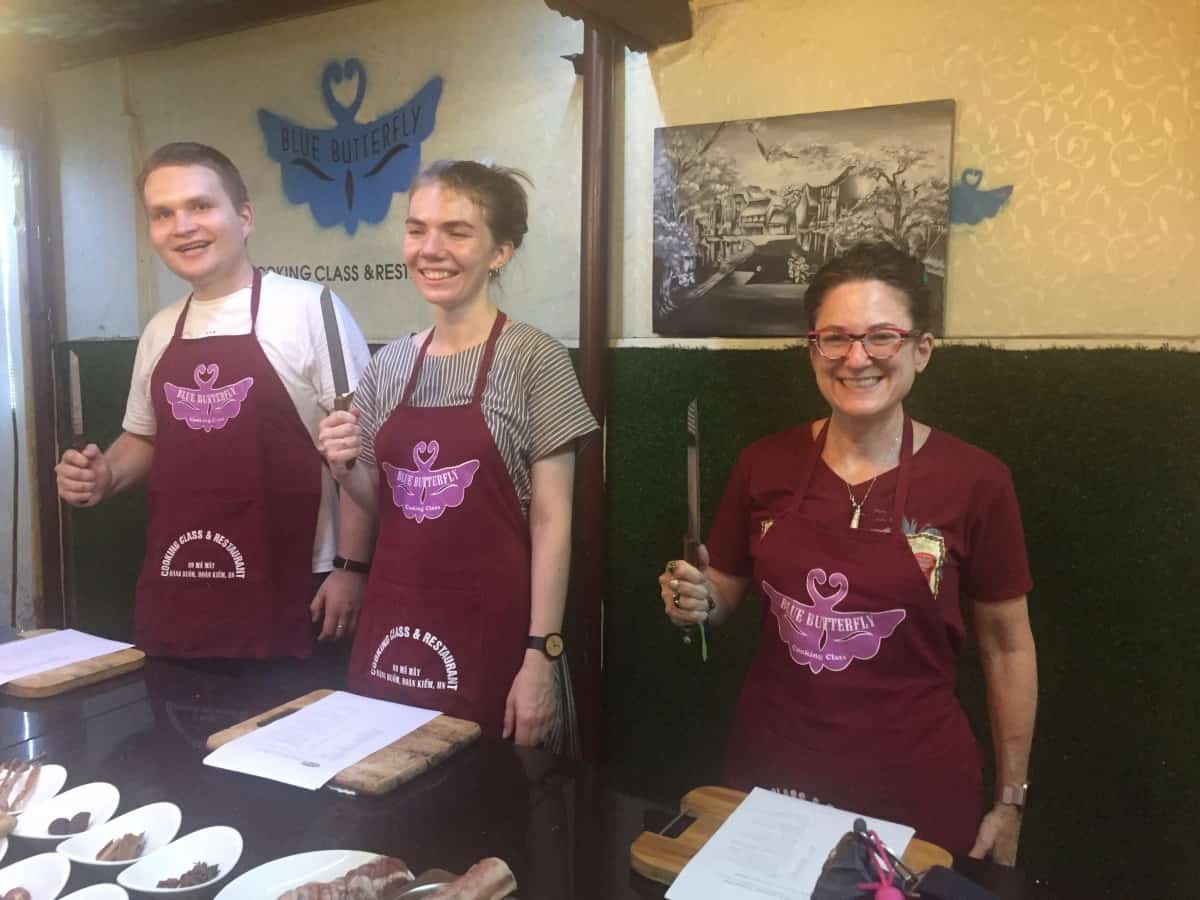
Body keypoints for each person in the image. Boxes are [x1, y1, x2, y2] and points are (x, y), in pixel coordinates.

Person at [657, 242, 1037, 863]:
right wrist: (694, 600)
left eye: (881, 337)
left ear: (922, 349)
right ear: (813, 350)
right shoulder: (764, 464)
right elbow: (721, 593)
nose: (856, 358)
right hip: (771, 769)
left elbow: (1008, 646)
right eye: (834, 338)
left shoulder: (976, 481)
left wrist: (1011, 800)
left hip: (917, 787)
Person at [318, 160, 598, 752]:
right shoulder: (390, 363)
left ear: (500, 252)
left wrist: (540, 656)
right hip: (391, 625)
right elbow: (382, 505)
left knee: (491, 820)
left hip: (497, 637)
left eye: (457, 231)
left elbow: (553, 522)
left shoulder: (534, 359)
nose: (431, 249)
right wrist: (345, 468)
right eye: (417, 229)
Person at [55, 142, 373, 658]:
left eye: (200, 206)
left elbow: (360, 449)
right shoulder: (160, 330)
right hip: (181, 576)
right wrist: (105, 475)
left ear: (243, 217)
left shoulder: (311, 309)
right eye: (163, 214)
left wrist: (351, 568)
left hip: (297, 578)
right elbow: (144, 436)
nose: (182, 226)